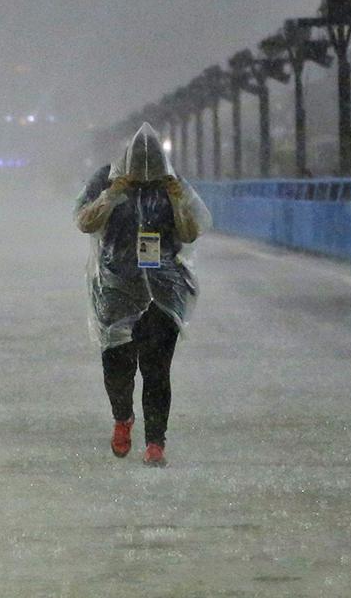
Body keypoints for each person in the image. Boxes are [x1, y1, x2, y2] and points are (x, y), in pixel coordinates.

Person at [73, 123, 211, 467]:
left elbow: (191, 232)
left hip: (163, 290)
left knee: (156, 369)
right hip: (117, 288)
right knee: (117, 366)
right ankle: (123, 417)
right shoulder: (104, 179)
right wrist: (112, 193)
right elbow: (84, 222)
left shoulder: (171, 183)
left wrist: (177, 198)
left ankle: (155, 442)